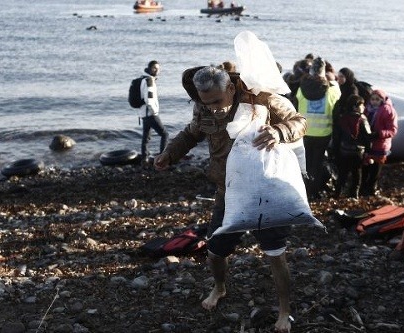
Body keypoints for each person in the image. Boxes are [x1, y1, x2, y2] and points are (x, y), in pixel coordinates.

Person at [154, 31, 307, 333]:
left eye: (216, 101)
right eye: (205, 102)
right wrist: (168, 154)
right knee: (215, 250)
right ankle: (220, 288)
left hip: (266, 190)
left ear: (231, 88)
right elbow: (190, 133)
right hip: (228, 191)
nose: (212, 108)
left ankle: (284, 310)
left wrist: (278, 132)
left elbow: (300, 122)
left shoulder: (261, 96)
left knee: (275, 254)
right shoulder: (203, 106)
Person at [295, 57, 341, 199]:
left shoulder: (301, 89)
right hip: (323, 133)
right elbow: (338, 96)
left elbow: (296, 104)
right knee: (318, 162)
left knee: (306, 162)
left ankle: (305, 189)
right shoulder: (331, 91)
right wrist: (333, 82)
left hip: (305, 132)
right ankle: (314, 191)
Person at [360, 89, 398, 196]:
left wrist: (379, 134)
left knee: (375, 169)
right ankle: (363, 187)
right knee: (365, 167)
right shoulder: (366, 109)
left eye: (377, 99)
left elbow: (393, 130)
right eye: (372, 99)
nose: (374, 102)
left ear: (382, 100)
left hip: (380, 144)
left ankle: (372, 188)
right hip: (368, 142)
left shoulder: (388, 111)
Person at [334, 95, 372, 198]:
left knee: (342, 175)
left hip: (344, 151)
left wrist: (336, 150)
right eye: (362, 105)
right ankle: (354, 196)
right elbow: (367, 137)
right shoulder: (362, 119)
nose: (364, 107)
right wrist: (368, 151)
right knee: (356, 176)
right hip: (358, 152)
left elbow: (337, 136)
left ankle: (337, 194)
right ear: (355, 107)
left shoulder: (342, 118)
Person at [139, 60, 168, 166]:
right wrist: (154, 112)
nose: (157, 70)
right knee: (165, 134)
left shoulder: (144, 79)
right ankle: (162, 159)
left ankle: (144, 159)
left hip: (144, 114)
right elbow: (149, 99)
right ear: (149, 68)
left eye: (158, 68)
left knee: (146, 137)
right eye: (155, 68)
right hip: (150, 114)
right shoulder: (149, 81)